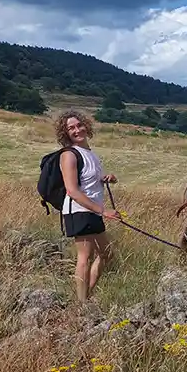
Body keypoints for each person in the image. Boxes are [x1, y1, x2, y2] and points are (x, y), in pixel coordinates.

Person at [54, 109, 121, 302]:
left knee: (106, 254)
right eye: (71, 128)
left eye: (79, 125)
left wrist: (105, 179)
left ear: (86, 126)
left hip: (92, 211)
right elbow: (73, 191)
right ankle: (82, 304)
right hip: (79, 211)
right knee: (85, 257)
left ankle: (86, 296)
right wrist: (103, 210)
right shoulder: (69, 155)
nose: (76, 130)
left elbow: (87, 181)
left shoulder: (89, 153)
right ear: (65, 133)